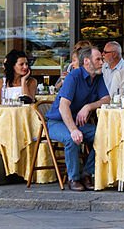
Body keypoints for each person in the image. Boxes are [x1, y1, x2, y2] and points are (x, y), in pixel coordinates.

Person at [46, 44, 109, 191]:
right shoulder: (74, 76)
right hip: (57, 122)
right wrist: (74, 130)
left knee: (103, 135)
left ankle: (87, 173)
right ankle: (73, 178)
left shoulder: (98, 77)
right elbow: (63, 106)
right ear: (87, 61)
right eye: (98, 59)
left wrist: (88, 107)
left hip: (77, 121)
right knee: (71, 138)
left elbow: (107, 99)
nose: (102, 62)